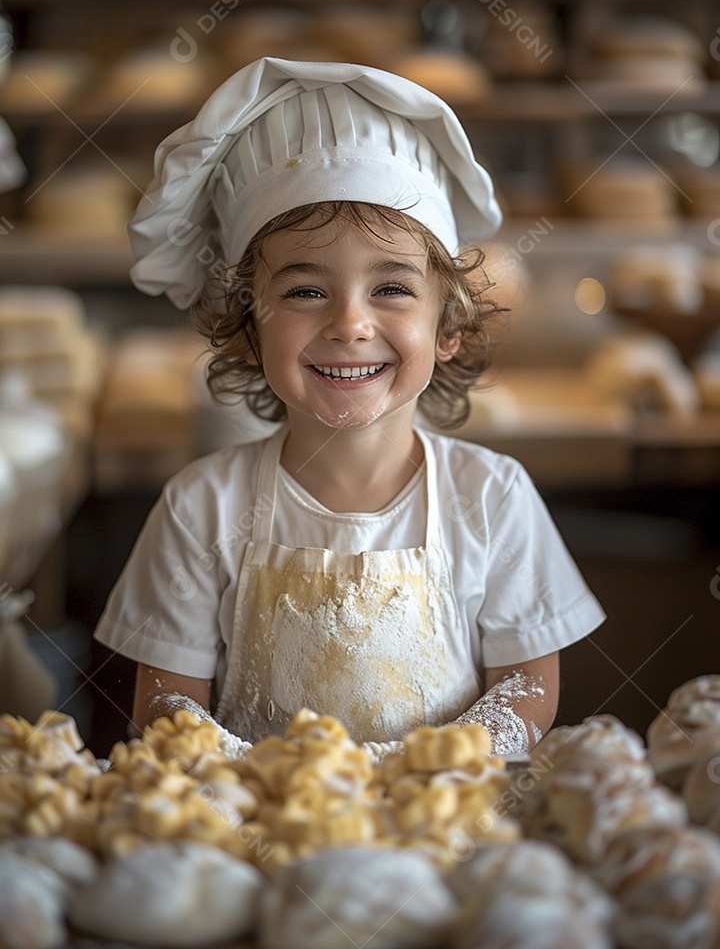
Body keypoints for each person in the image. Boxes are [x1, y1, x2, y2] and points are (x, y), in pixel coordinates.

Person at [94, 57, 605, 758]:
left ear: (446, 328)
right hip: (262, 832)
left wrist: (437, 760)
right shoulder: (201, 508)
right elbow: (166, 704)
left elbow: (526, 686)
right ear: (249, 330)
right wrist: (261, 771)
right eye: (305, 291)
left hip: (444, 830)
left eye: (391, 288)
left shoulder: (491, 497)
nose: (350, 325)